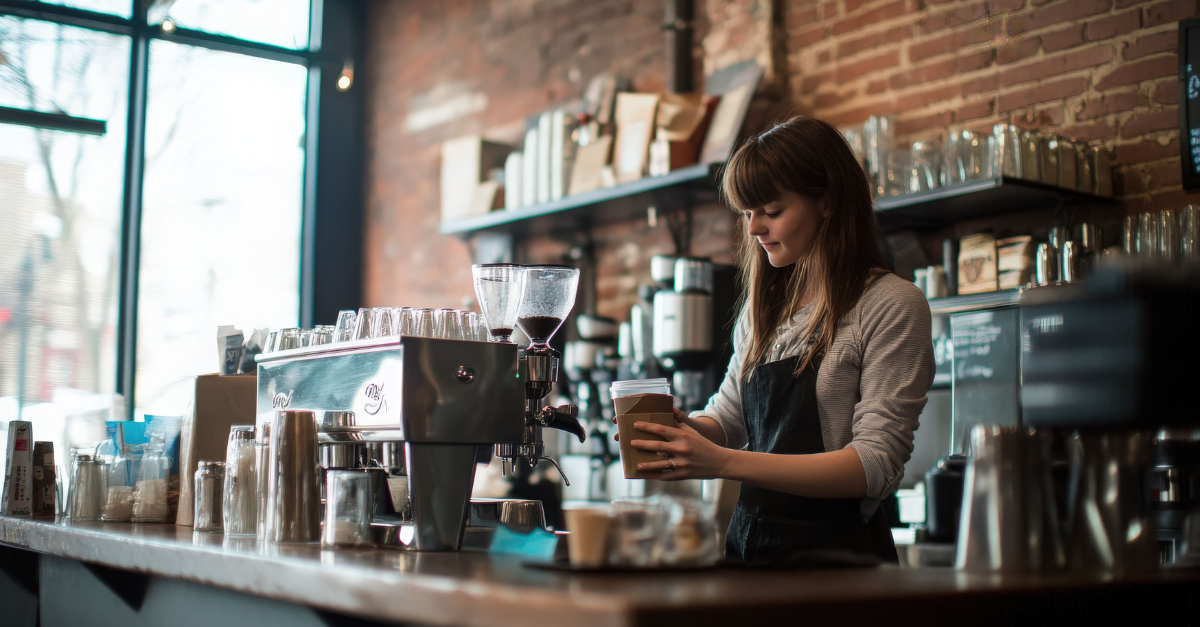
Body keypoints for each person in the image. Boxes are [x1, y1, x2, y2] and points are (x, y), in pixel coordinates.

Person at [627, 116, 934, 562]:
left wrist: (722, 462)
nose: (754, 228)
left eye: (771, 212)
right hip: (751, 555)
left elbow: (874, 465)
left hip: (841, 565)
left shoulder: (889, 304)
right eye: (747, 214)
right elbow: (728, 418)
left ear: (827, 202)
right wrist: (677, 429)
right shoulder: (764, 310)